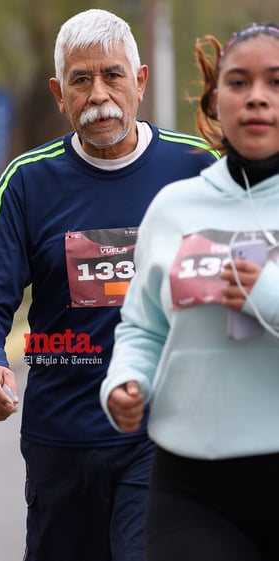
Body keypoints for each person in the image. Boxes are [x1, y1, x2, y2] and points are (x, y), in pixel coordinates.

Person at [0, 8, 218, 561]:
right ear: (59, 92)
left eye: (112, 75)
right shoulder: (27, 181)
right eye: (81, 79)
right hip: (63, 444)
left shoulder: (196, 168)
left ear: (140, 81)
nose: (99, 94)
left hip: (163, 437)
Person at [101, 23, 279, 560]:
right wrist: (126, 380)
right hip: (191, 487)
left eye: (275, 82)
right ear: (214, 98)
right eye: (239, 82)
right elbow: (143, 325)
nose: (257, 97)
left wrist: (265, 292)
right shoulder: (174, 206)